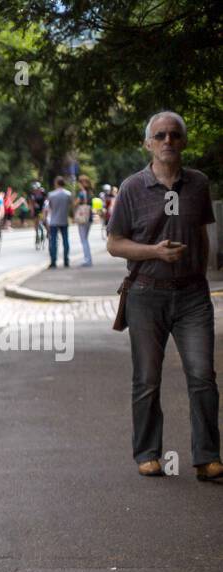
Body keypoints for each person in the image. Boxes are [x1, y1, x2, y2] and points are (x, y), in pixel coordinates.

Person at [107, 111, 221, 483]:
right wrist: (155, 252)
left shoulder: (199, 184)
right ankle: (148, 453)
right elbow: (114, 243)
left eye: (174, 135)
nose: (167, 141)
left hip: (192, 295)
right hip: (145, 295)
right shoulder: (131, 188)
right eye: (160, 136)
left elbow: (202, 236)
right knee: (147, 378)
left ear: (183, 142)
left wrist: (197, 274)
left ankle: (207, 457)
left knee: (203, 375)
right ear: (148, 144)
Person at [45, 175, 73, 268]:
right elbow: (70, 205)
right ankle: (66, 260)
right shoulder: (68, 194)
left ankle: (53, 261)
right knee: (65, 240)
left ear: (56, 183)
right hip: (64, 219)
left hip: (54, 220)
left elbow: (50, 208)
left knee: (53, 241)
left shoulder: (51, 194)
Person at [74, 174, 94, 266]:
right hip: (89, 217)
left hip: (83, 218)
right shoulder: (90, 192)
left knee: (84, 239)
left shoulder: (82, 193)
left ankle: (87, 259)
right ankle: (88, 258)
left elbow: (76, 203)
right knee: (86, 239)